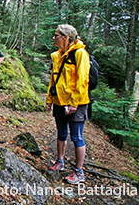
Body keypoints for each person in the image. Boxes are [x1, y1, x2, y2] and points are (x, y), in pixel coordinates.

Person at [46, 24, 90, 185]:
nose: (54, 37)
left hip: (77, 103)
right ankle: (60, 161)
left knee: (76, 136)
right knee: (61, 132)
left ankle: (79, 171)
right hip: (59, 101)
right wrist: (49, 100)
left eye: (56, 35)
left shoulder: (80, 54)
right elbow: (54, 79)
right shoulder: (58, 55)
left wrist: (74, 103)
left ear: (66, 37)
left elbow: (82, 80)